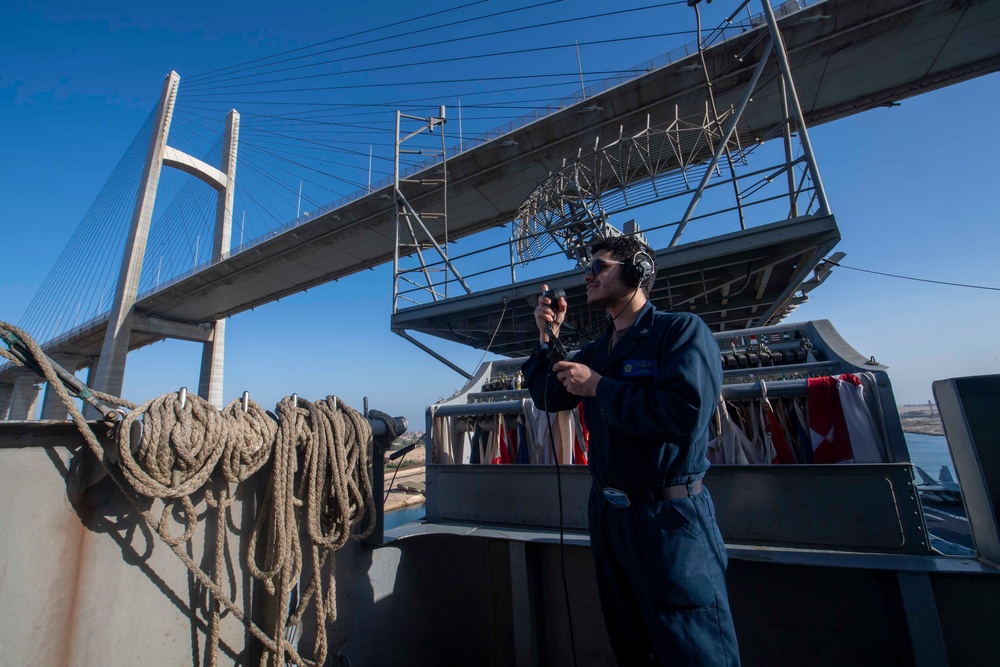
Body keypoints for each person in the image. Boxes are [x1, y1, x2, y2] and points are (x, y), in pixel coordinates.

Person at [521, 235, 740, 666]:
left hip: (670, 523)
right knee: (631, 641)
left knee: (693, 645)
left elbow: (686, 416)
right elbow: (550, 396)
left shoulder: (679, 332)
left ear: (637, 271)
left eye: (598, 266)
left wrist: (599, 386)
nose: (588, 275)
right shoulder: (599, 351)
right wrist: (548, 337)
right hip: (609, 517)